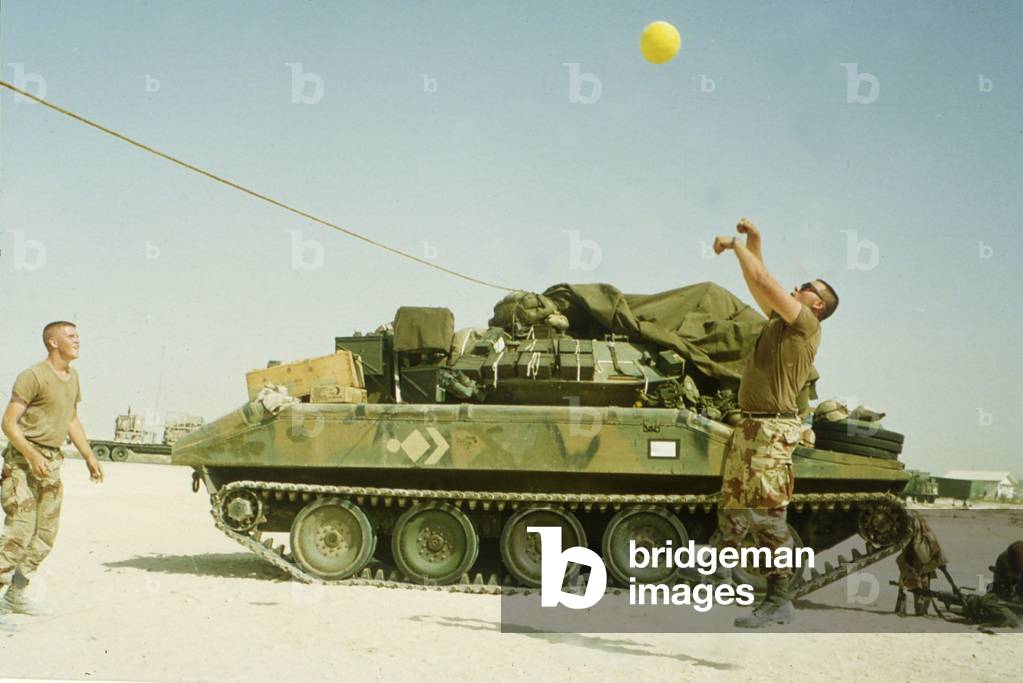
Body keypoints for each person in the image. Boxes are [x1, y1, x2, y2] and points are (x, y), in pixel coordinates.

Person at [711, 218, 839, 628]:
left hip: (771, 432)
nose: (798, 287)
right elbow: (759, 285)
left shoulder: (805, 324)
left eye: (807, 288)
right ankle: (715, 572)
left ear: (815, 304)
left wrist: (735, 245)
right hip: (751, 429)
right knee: (733, 506)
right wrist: (755, 243)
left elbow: (764, 281)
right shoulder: (782, 322)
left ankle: (779, 600)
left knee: (768, 519)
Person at [0, 321, 104, 619]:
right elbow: (8, 423)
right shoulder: (33, 376)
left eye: (78, 335)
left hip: (51, 465)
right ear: (53, 342)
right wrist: (31, 455)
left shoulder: (73, 378)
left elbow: (71, 420)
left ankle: (15, 595)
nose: (78, 340)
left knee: (45, 534)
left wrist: (89, 456)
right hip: (22, 463)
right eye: (70, 336)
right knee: (19, 531)